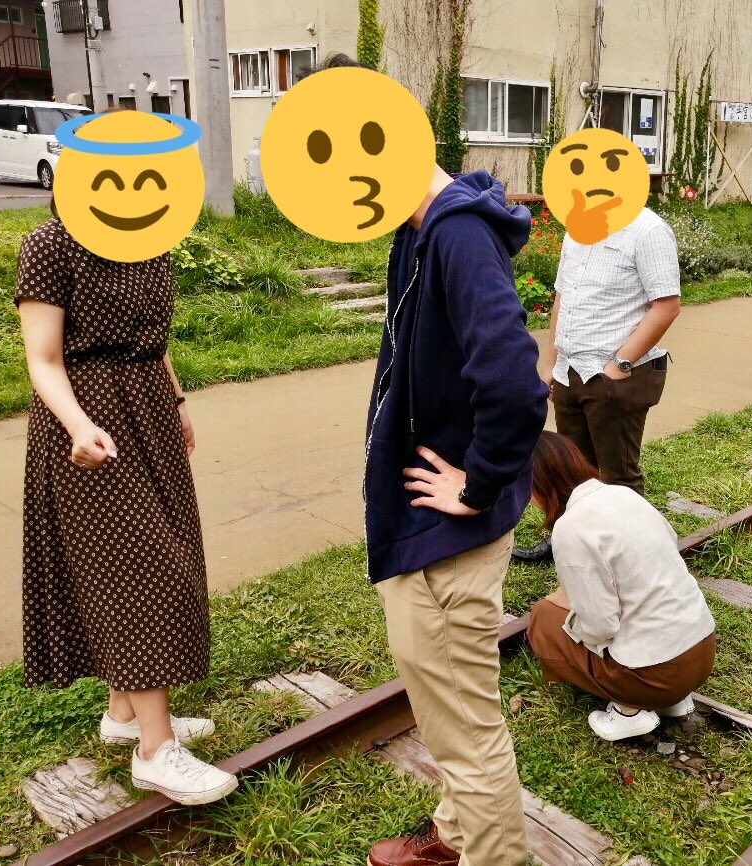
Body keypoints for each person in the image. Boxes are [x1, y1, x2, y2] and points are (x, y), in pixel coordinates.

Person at [322, 55, 548, 866]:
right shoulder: (420, 228)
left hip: (446, 536)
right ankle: (455, 836)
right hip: (423, 522)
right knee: (451, 712)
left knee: (466, 731)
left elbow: (516, 384)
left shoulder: (455, 234)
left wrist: (478, 484)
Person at [16, 191, 237, 805]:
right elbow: (43, 359)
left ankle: (123, 714)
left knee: (163, 555)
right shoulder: (50, 245)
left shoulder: (150, 239)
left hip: (150, 414)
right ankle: (154, 751)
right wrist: (77, 426)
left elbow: (154, 342)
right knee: (138, 571)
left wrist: (178, 400)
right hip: (89, 421)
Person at [513, 198, 681, 563]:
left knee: (618, 475)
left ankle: (629, 557)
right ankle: (565, 544)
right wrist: (552, 363)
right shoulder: (578, 225)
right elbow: (563, 298)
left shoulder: (648, 230)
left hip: (615, 375)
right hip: (569, 372)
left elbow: (667, 305)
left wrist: (621, 363)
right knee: (570, 469)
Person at [525, 432, 716, 742]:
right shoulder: (623, 494)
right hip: (702, 650)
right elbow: (668, 545)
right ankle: (673, 700)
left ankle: (630, 711)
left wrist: (571, 620)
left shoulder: (570, 528)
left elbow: (600, 626)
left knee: (544, 618)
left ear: (538, 485)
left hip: (657, 675)